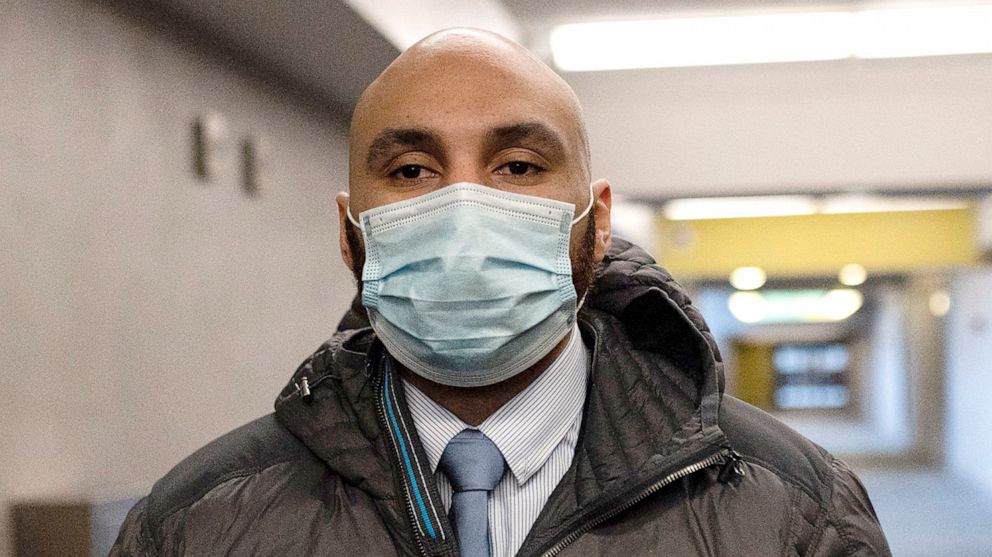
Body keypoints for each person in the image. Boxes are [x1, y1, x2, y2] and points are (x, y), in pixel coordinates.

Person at [112, 29, 890, 556]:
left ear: (596, 220)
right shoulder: (198, 522)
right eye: (412, 170)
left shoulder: (794, 513)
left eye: (517, 165)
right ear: (350, 231)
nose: (463, 212)